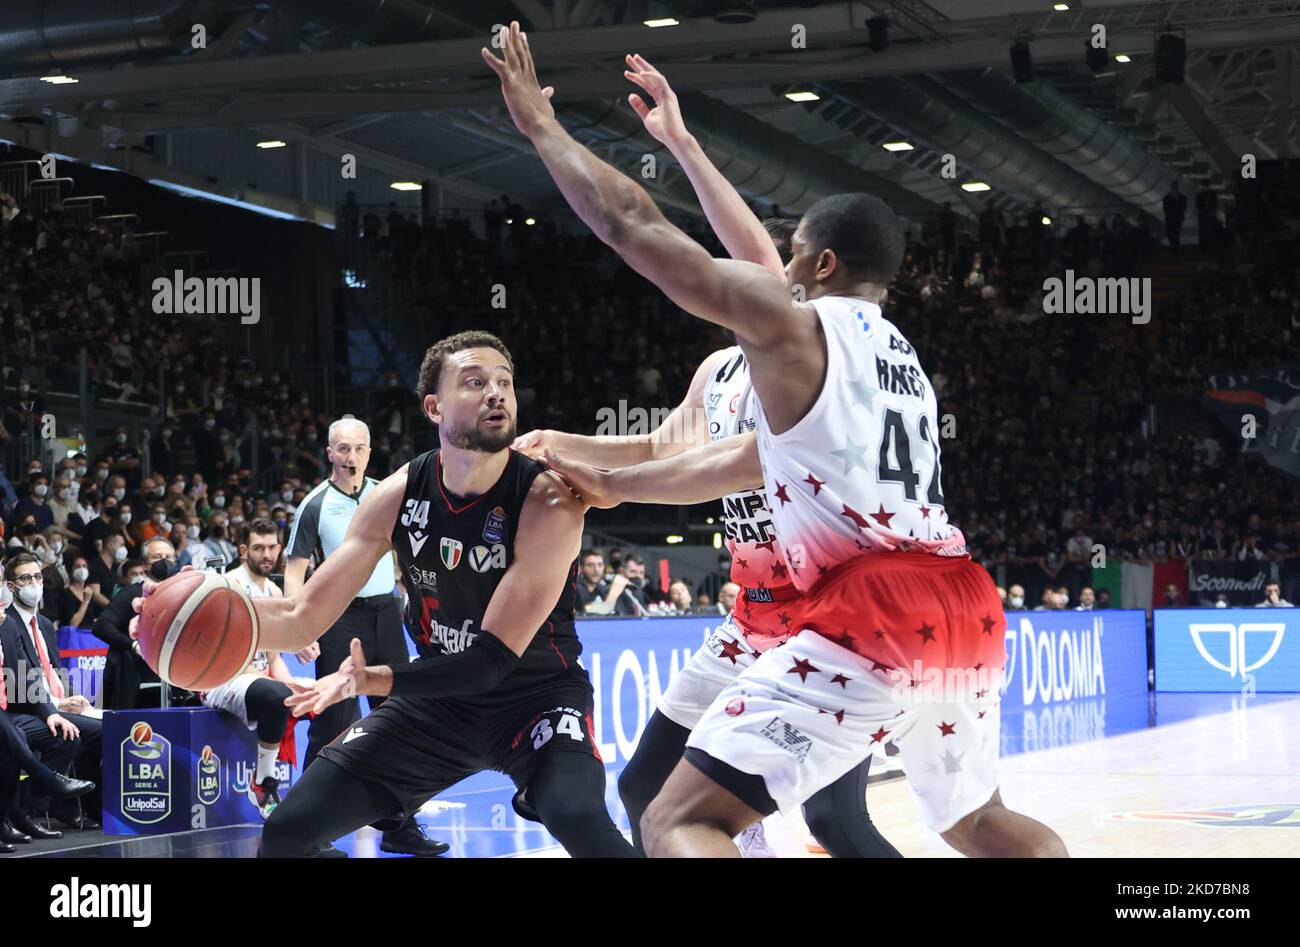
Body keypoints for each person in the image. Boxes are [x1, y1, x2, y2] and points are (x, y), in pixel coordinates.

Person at [486, 24, 1064, 856]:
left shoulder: (797, 335)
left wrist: (542, 125)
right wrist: (619, 481)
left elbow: (630, 222)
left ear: (820, 265)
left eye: (789, 256)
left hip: (867, 606)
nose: (775, 268)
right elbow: (739, 459)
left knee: (680, 819)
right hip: (961, 595)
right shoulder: (898, 357)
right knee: (980, 822)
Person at [509, 53, 899, 861]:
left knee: (835, 820)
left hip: (824, 611)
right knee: (644, 784)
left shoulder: (806, 356)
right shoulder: (719, 371)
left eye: (785, 261)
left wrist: (679, 147)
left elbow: (716, 462)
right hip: (751, 613)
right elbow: (663, 445)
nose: (769, 272)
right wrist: (558, 442)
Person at [138, 332, 637, 858]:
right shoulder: (398, 493)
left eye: (504, 383)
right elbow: (302, 614)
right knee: (287, 832)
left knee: (581, 820)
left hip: (536, 697)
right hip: (439, 706)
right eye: (474, 382)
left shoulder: (547, 500)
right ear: (433, 407)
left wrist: (374, 679)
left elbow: (488, 662)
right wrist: (200, 614)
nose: (496, 393)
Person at [282, 417, 444, 856]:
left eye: (358, 449)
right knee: (332, 723)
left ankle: (398, 825)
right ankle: (309, 831)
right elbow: (294, 570)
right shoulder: (314, 504)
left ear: (370, 452)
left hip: (386, 613)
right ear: (329, 453)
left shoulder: (386, 492)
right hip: (338, 617)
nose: (350, 457)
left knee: (402, 719)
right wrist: (299, 626)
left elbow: (411, 551)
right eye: (342, 449)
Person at [201, 518, 307, 817]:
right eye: (259, 548)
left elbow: (274, 659)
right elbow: (230, 656)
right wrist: (279, 687)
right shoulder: (230, 587)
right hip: (222, 678)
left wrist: (295, 688)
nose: (267, 555)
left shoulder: (274, 591)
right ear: (244, 550)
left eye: (273, 547)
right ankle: (263, 783)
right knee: (276, 695)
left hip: (257, 678)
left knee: (321, 697)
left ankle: (313, 791)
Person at [2, 553, 103, 829]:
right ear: (10, 586)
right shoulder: (6, 622)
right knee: (83, 733)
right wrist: (55, 705)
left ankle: (74, 803)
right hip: (26, 707)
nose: (34, 583)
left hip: (53, 703)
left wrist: (71, 697)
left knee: (109, 722)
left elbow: (55, 670)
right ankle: (41, 804)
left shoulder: (45, 624)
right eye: (25, 578)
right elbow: (17, 680)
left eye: (37, 577)